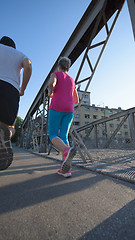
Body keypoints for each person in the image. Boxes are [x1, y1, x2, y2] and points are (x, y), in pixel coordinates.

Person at [0, 36, 32, 170]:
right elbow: (28, 66)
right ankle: (6, 132)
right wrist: (22, 89)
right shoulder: (20, 54)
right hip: (10, 89)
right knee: (9, 125)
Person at [48, 56, 79, 177]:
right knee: (64, 137)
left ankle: (67, 150)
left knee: (53, 135)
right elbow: (76, 99)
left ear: (59, 66)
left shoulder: (55, 74)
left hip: (56, 107)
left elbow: (52, 83)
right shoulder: (72, 80)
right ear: (68, 68)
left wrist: (51, 92)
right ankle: (65, 170)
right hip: (69, 109)